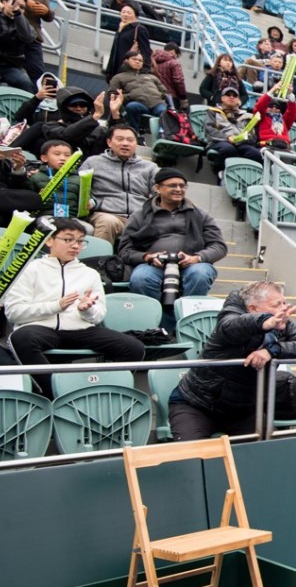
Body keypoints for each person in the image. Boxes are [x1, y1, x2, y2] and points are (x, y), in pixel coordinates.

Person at [5, 218, 145, 397]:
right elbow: (14, 313)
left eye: (79, 241)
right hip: (41, 328)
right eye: (68, 239)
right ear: (49, 240)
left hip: (79, 329)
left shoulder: (90, 274)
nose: (75, 245)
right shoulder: (30, 269)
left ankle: (101, 392)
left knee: (133, 347)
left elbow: (98, 316)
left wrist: (85, 310)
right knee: (21, 338)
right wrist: (56, 306)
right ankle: (55, 393)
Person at [169, 281, 296, 440]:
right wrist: (264, 322)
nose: (283, 309)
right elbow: (232, 327)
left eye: (284, 303)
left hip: (242, 409)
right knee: (191, 458)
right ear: (253, 309)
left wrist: (272, 350)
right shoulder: (230, 318)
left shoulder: (281, 322)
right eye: (276, 304)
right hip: (197, 404)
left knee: (263, 453)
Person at [119, 168, 225, 328]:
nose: (178, 189)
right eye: (172, 185)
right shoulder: (140, 215)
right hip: (153, 265)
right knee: (140, 278)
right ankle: (160, 326)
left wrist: (197, 258)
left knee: (201, 274)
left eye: (182, 186)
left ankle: (189, 324)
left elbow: (219, 246)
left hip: (191, 264)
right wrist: (147, 257)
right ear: (158, 188)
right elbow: (125, 250)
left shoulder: (200, 214)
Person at [80, 123, 158, 245]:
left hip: (139, 217)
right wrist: (93, 202)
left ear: (136, 143)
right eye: (120, 139)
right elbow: (80, 188)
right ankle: (98, 262)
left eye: (130, 140)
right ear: (109, 142)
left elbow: (160, 193)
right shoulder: (93, 163)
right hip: (107, 214)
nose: (125, 143)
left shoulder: (149, 167)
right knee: (107, 221)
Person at [0, 0, 53, 84]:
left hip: (32, 37)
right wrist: (26, 1)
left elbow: (50, 17)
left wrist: (47, 12)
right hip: (7, 31)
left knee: (36, 75)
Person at [27, 139, 90, 224]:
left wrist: (91, 203)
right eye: (57, 154)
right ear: (44, 158)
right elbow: (27, 198)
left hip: (71, 218)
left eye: (67, 155)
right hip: (46, 216)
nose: (63, 158)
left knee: (89, 229)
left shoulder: (79, 179)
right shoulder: (35, 176)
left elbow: (88, 197)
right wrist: (37, 197)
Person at [107, 51, 168, 133]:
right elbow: (112, 95)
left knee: (165, 112)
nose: (137, 62)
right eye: (134, 59)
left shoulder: (151, 77)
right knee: (132, 107)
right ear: (126, 60)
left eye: (140, 60)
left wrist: (159, 95)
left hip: (157, 103)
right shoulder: (118, 77)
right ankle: (135, 133)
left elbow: (164, 91)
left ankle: (164, 135)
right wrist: (129, 96)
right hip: (138, 104)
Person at [203, 86, 259, 174]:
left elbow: (253, 136)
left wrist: (245, 138)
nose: (231, 97)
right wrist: (227, 137)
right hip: (218, 142)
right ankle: (221, 171)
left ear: (238, 100)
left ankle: (245, 176)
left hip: (240, 143)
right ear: (222, 98)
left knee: (255, 153)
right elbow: (209, 129)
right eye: (228, 95)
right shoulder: (213, 111)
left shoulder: (246, 116)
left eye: (235, 95)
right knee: (228, 149)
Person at [104, 4, 152, 81]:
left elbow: (145, 51)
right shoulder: (120, 29)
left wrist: (144, 71)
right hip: (117, 70)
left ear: (135, 15)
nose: (125, 14)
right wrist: (109, 71)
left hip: (130, 71)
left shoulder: (139, 29)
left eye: (129, 13)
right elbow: (114, 51)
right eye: (123, 12)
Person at [0, 0, 36, 92]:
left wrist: (17, 14)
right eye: (14, 3)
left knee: (26, 84)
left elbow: (28, 38)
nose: (18, 8)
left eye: (22, 7)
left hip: (11, 67)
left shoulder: (24, 24)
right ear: (4, 2)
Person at [0, 146, 42, 225]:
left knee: (32, 198)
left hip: (5, 200)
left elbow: (16, 187)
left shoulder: (4, 161)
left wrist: (18, 168)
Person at [151, 42, 188, 111]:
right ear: (174, 52)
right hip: (171, 97)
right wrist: (183, 97)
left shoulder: (153, 60)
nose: (176, 57)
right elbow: (178, 81)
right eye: (177, 55)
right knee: (171, 119)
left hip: (153, 94)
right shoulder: (174, 63)